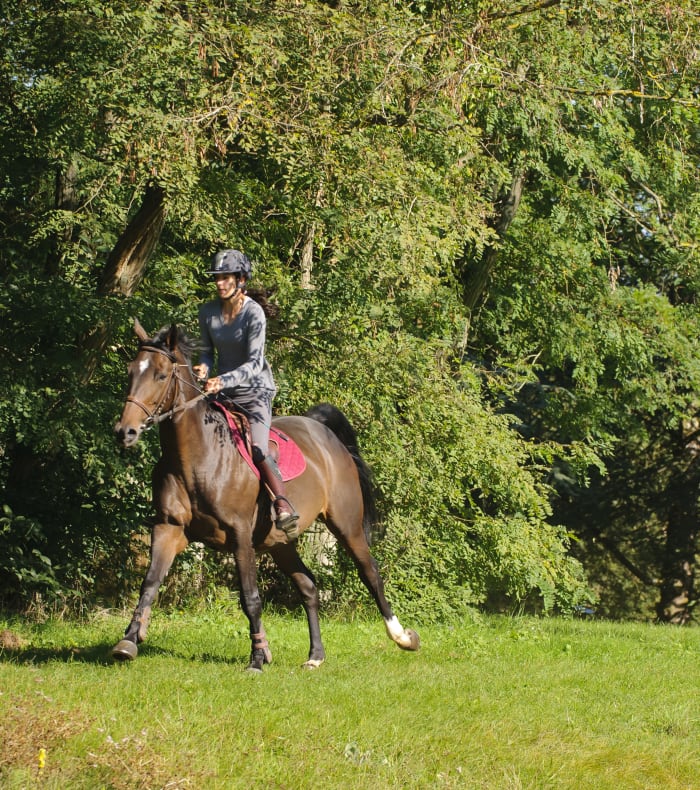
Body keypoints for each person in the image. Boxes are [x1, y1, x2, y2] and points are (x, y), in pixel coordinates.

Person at [193, 249, 299, 539]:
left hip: (255, 392)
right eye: (217, 278)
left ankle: (282, 504)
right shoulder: (207, 312)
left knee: (258, 449)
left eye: (225, 277)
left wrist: (222, 380)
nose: (219, 283)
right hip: (221, 393)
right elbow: (206, 352)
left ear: (241, 279)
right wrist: (203, 368)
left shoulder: (254, 313)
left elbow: (254, 364)